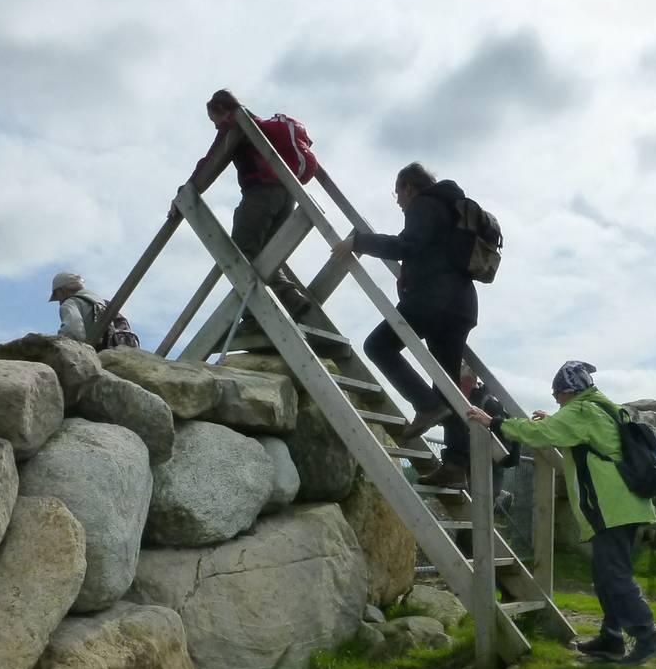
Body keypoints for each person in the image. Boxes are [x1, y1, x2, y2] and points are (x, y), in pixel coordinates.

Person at [467, 360, 656, 665]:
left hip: (611, 506)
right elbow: (581, 434)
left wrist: (493, 422)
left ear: (570, 390)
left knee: (614, 575)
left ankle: (649, 637)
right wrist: (554, 421)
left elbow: (540, 434)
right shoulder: (604, 408)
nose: (557, 400)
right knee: (607, 574)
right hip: (628, 504)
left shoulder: (581, 410)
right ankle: (612, 638)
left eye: (557, 394)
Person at [332, 162, 477, 460]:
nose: (398, 201)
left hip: (432, 301)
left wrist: (359, 241)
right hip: (461, 305)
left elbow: (406, 245)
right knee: (447, 384)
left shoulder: (424, 204)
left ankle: (426, 405)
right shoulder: (452, 208)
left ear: (408, 188)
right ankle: (455, 464)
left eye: (397, 193)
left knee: (378, 346)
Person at [170, 89, 314, 318]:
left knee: (241, 252)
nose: (216, 127)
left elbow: (211, 161)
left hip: (261, 194)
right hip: (288, 196)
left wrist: (183, 194)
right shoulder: (261, 127)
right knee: (267, 256)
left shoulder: (237, 124)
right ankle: (292, 301)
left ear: (222, 110)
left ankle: (254, 317)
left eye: (214, 120)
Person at [430, 363, 518, 494]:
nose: (458, 389)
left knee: (480, 503)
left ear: (469, 382)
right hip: (473, 468)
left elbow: (504, 442)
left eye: (461, 384)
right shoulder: (475, 401)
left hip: (487, 470)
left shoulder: (488, 404)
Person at [48, 272, 139, 349]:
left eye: (56, 295)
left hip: (99, 354)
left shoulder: (70, 303)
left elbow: (72, 332)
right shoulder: (104, 303)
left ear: (61, 290)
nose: (59, 301)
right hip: (121, 351)